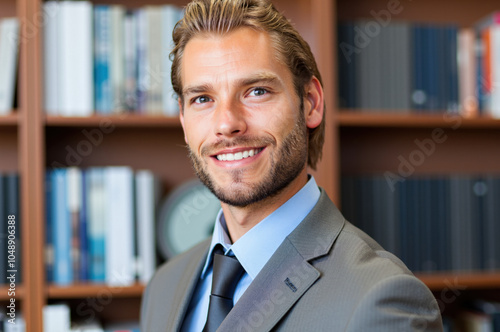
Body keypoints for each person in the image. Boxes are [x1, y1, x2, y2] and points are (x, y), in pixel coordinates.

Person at [140, 0, 443, 331]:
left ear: (310, 103)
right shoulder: (164, 285)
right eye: (202, 99)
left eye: (256, 91)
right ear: (183, 119)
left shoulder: (383, 301)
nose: (227, 124)